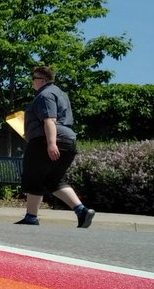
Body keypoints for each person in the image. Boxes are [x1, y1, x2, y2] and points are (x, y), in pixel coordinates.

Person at [16, 65, 95, 228]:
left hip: (47, 141)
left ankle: (31, 218)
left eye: (34, 78)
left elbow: (49, 120)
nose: (32, 82)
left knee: (34, 177)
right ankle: (82, 210)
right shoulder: (61, 93)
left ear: (42, 80)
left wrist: (51, 143)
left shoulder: (45, 95)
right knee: (54, 181)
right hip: (68, 141)